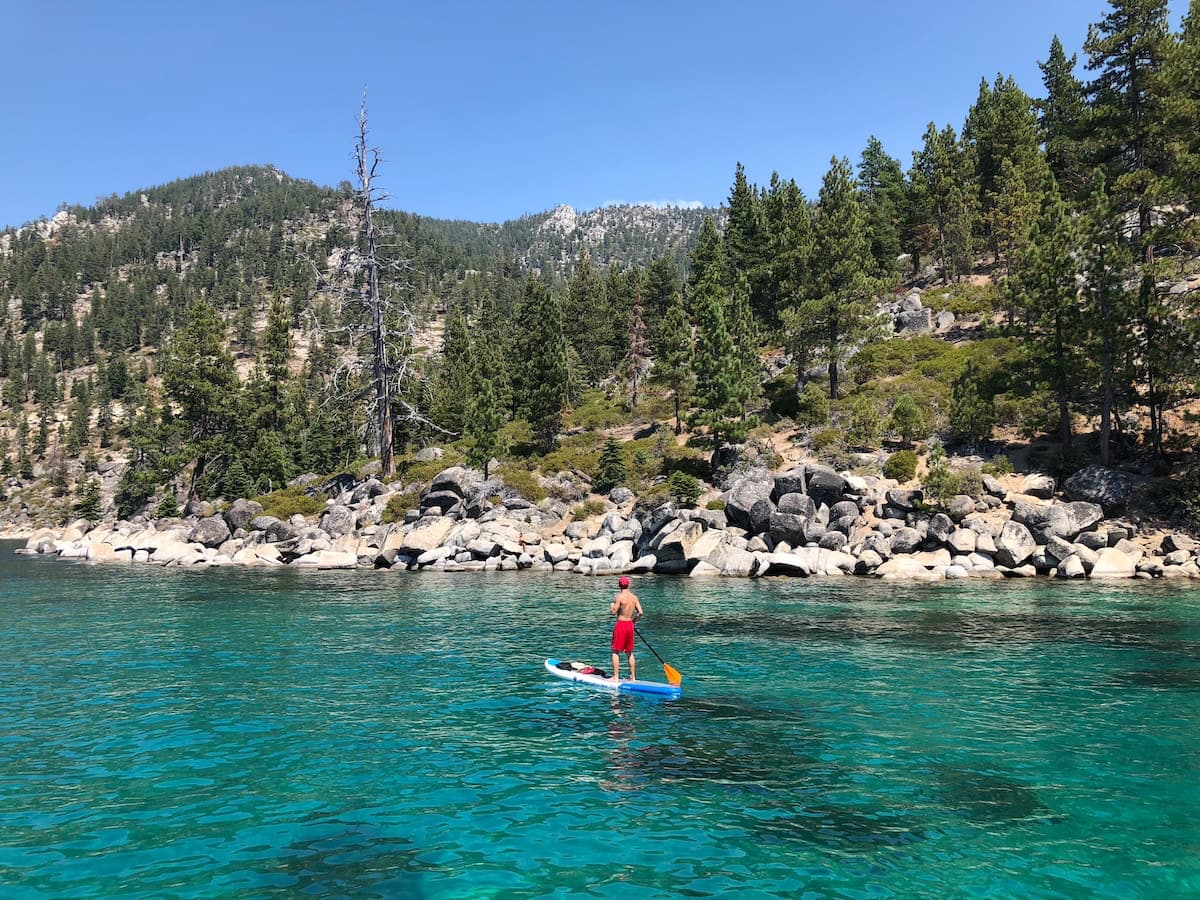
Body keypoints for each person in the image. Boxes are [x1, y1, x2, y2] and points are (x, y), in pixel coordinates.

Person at [609, 575, 643, 681]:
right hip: (629, 625)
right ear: (628, 585)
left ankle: (615, 677)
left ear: (619, 585)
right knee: (629, 652)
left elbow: (614, 612)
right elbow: (641, 613)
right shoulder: (634, 597)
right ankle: (633, 677)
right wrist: (633, 621)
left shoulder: (619, 597)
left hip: (621, 624)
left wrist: (612, 606)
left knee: (615, 651)